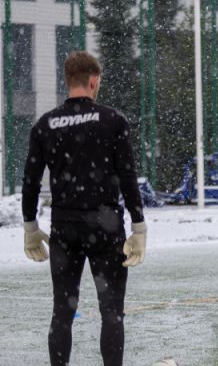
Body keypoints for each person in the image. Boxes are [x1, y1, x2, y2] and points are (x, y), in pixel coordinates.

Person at [21, 51, 147, 365]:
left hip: (65, 226)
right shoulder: (113, 120)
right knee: (111, 311)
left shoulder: (44, 125)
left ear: (68, 82)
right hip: (105, 225)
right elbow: (128, 176)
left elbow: (31, 181)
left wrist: (30, 228)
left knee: (62, 312)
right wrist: (139, 226)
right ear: (93, 81)